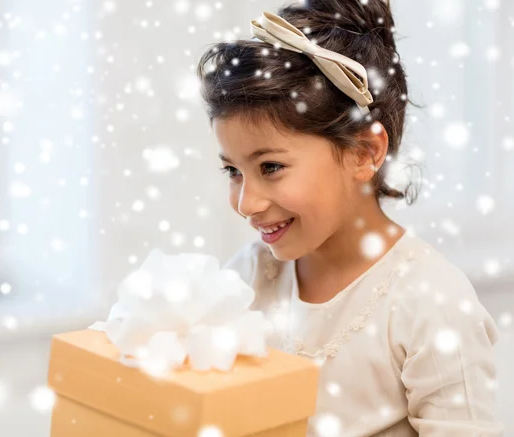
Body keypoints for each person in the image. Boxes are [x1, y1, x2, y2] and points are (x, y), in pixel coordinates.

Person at [196, 1, 503, 435]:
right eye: (233, 171)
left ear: (364, 153)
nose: (246, 203)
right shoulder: (248, 278)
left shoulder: (429, 303)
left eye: (270, 167)